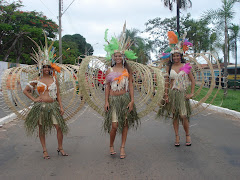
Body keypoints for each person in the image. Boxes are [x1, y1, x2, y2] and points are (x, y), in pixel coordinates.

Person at [23, 35, 68, 159]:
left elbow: (58, 94)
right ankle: (44, 150)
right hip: (41, 107)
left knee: (59, 127)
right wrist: (34, 99)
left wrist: (61, 107)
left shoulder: (55, 79)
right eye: (44, 67)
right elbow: (25, 90)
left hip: (53, 105)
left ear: (51, 68)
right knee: (41, 128)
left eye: (48, 67)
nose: (46, 69)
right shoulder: (36, 80)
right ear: (41, 68)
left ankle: (60, 147)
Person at [104, 24, 140, 159]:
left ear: (123, 57)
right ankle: (111, 145)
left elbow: (130, 86)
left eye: (120, 56)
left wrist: (132, 100)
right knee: (114, 125)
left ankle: (122, 147)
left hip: (125, 100)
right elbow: (107, 86)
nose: (118, 58)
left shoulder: (127, 70)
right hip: (113, 101)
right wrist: (106, 101)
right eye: (116, 56)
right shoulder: (110, 70)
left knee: (125, 124)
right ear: (113, 57)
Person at [157, 31, 195, 147]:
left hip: (182, 94)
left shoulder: (186, 66)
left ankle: (187, 134)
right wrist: (166, 95)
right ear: (172, 57)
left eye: (178, 55)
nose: (176, 57)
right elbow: (167, 82)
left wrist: (191, 93)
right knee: (175, 116)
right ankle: (177, 136)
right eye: (174, 56)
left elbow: (192, 80)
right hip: (172, 94)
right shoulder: (169, 67)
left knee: (183, 115)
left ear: (181, 56)